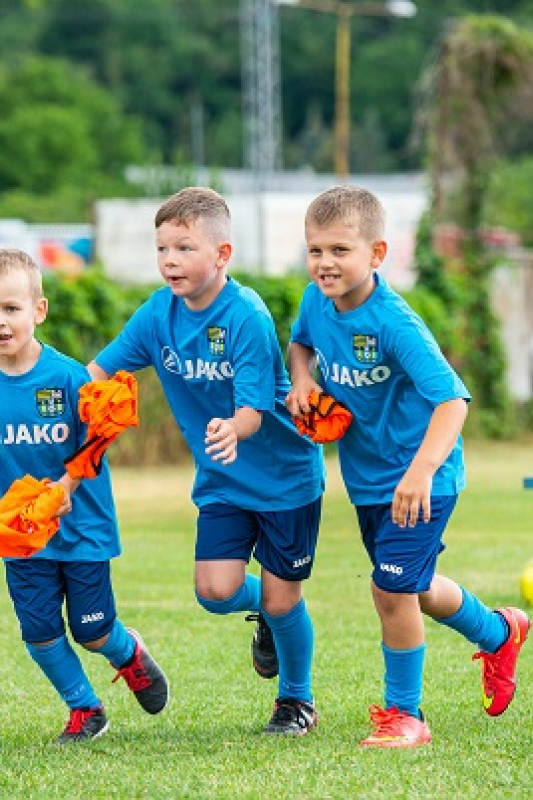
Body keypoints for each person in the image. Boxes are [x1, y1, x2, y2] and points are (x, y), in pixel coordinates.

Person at [286, 184, 531, 748]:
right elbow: (300, 343)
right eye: (316, 249)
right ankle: (500, 632)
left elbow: (452, 400)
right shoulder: (313, 302)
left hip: (423, 479)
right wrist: (302, 380)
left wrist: (420, 470)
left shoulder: (394, 323)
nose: (325, 263)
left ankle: (406, 716)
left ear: (376, 254)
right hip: (369, 482)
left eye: (340, 250)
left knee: (390, 590)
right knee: (413, 588)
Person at [87, 187, 325, 736]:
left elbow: (253, 411)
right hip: (222, 479)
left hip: (285, 478)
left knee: (284, 597)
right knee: (215, 591)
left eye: (184, 248)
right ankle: (264, 610)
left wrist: (229, 427)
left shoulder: (245, 314)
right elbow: (96, 373)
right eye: (162, 249)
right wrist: (58, 399)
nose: (170, 260)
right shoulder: (156, 315)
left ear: (222, 255)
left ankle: (296, 701)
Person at [0, 248, 169, 744]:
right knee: (40, 631)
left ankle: (127, 653)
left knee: (91, 630)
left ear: (38, 311)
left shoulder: (69, 378)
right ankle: (85, 709)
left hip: (82, 524)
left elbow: (97, 439)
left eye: (10, 308)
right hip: (20, 529)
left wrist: (67, 487)